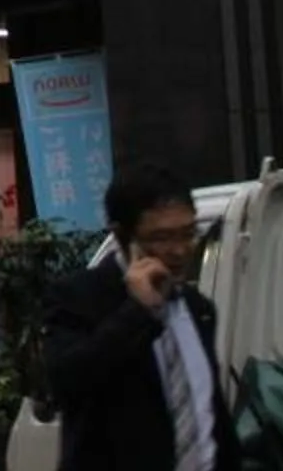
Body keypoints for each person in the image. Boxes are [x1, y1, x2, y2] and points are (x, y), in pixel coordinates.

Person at [41, 164, 237, 471]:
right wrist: (138, 311)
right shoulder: (79, 297)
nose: (179, 250)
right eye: (161, 237)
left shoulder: (198, 309)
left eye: (188, 233)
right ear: (122, 235)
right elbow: (67, 380)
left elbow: (211, 420)